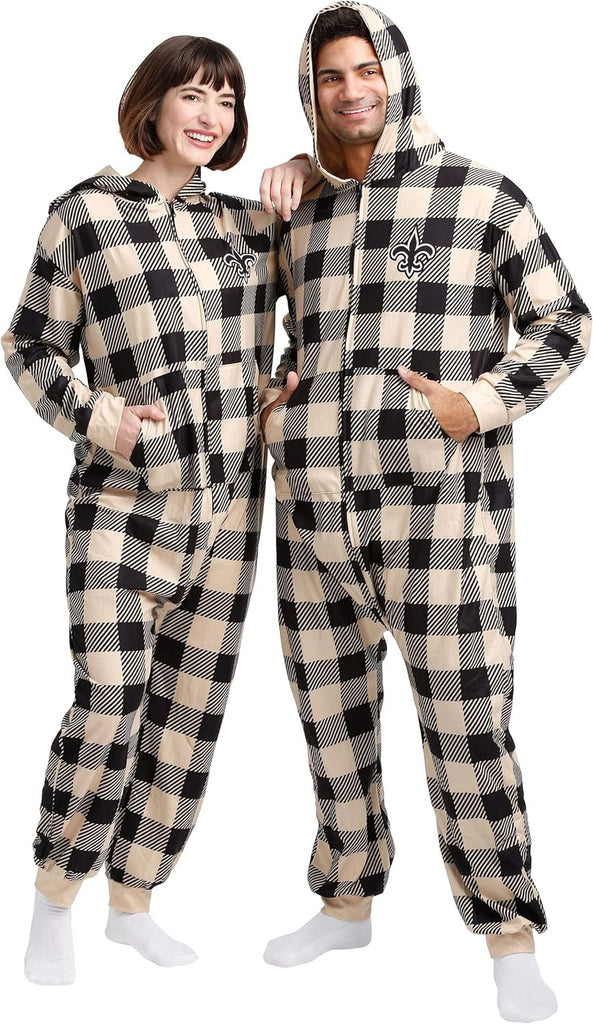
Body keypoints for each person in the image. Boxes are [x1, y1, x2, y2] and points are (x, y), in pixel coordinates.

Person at [259, 3, 590, 1021]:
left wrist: (473, 403)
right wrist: (277, 407)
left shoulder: (480, 193)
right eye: (329, 76)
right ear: (311, 92)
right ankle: (345, 901)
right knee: (330, 720)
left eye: (365, 69)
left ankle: (507, 935)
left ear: (396, 75)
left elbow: (564, 321)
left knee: (465, 728)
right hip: (312, 513)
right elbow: (276, 338)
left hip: (439, 516)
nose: (349, 89)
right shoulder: (301, 215)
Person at [2, 34, 311, 985]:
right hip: (120, 507)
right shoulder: (85, 215)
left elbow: (333, 264)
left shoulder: (248, 226)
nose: (210, 115)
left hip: (228, 510)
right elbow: (28, 347)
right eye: (193, 94)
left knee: (186, 715)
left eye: (226, 99)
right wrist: (105, 423)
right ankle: (54, 895)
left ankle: (132, 901)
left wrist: (304, 165)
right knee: (110, 701)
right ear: (153, 103)